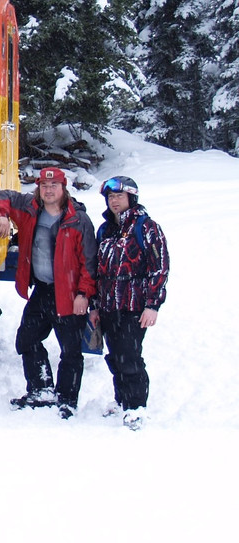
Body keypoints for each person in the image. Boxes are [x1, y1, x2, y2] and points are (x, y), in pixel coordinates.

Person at [0, 166, 96, 419]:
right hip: (42, 290)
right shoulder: (30, 208)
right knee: (27, 339)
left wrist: (84, 294)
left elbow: (90, 262)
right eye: (44, 186)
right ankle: (41, 390)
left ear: (64, 189)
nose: (49, 190)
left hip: (69, 293)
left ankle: (67, 399)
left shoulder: (78, 219)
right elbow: (2, 195)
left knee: (71, 351)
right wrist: (3, 216)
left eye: (54, 186)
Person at [88, 176, 170, 431]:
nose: (114, 201)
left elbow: (160, 267)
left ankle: (136, 407)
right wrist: (95, 305)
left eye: (119, 197)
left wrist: (153, 305)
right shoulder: (105, 229)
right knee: (115, 355)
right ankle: (122, 399)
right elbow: (96, 269)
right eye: (110, 197)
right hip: (108, 304)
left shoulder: (146, 227)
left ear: (131, 198)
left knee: (130, 356)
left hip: (134, 304)